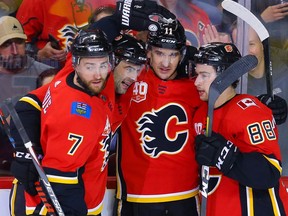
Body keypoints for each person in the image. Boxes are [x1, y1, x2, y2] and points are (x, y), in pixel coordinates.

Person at [10, 28, 115, 215]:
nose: (98, 74)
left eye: (103, 65)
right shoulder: (78, 115)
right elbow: (60, 176)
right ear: (75, 64)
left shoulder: (66, 78)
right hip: (65, 205)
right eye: (90, 66)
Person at [114, 17, 203, 215]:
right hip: (138, 196)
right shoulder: (129, 79)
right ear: (148, 52)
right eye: (159, 53)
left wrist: (265, 106)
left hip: (185, 195)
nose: (165, 62)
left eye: (173, 55)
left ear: (182, 55)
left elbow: (229, 105)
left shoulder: (197, 87)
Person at [193, 42, 288, 215]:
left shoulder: (249, 112)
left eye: (204, 75)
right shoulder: (201, 112)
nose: (197, 82)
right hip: (219, 207)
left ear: (225, 77)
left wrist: (225, 156)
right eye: (197, 74)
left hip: (255, 209)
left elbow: (269, 172)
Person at [16, 0, 116, 69]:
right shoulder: (37, 2)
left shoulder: (114, 3)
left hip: (103, 73)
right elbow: (13, 46)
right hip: (51, 75)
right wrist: (38, 54)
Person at [246, 27, 288, 176]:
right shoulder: (235, 84)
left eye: (251, 44)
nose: (246, 52)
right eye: (241, 45)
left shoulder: (283, 70)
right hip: (257, 172)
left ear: (263, 45)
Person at [0, 16, 53, 108]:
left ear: (25, 43)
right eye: (7, 45)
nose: (15, 51)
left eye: (19, 42)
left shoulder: (48, 76)